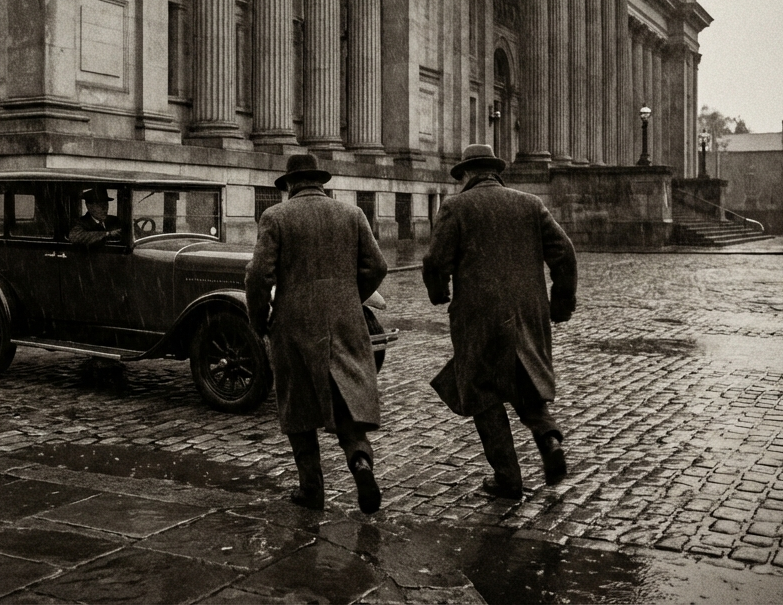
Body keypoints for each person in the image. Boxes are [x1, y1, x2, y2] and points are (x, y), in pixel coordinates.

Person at [422, 144, 578, 500]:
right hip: (528, 311)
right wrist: (561, 302)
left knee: (483, 395)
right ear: (495, 172)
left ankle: (508, 478)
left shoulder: (456, 207)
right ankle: (550, 439)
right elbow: (564, 252)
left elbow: (435, 261)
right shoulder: (530, 204)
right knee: (527, 382)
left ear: (466, 174)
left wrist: (438, 291)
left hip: (478, 317)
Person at [245, 153, 388, 514]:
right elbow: (378, 266)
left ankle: (312, 490)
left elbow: (259, 275)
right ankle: (360, 463)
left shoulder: (276, 216)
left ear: (290, 185)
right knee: (346, 403)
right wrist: (348, 296)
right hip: (346, 322)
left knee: (298, 407)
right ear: (320, 183)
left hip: (295, 323)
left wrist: (258, 320)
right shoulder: (351, 214)